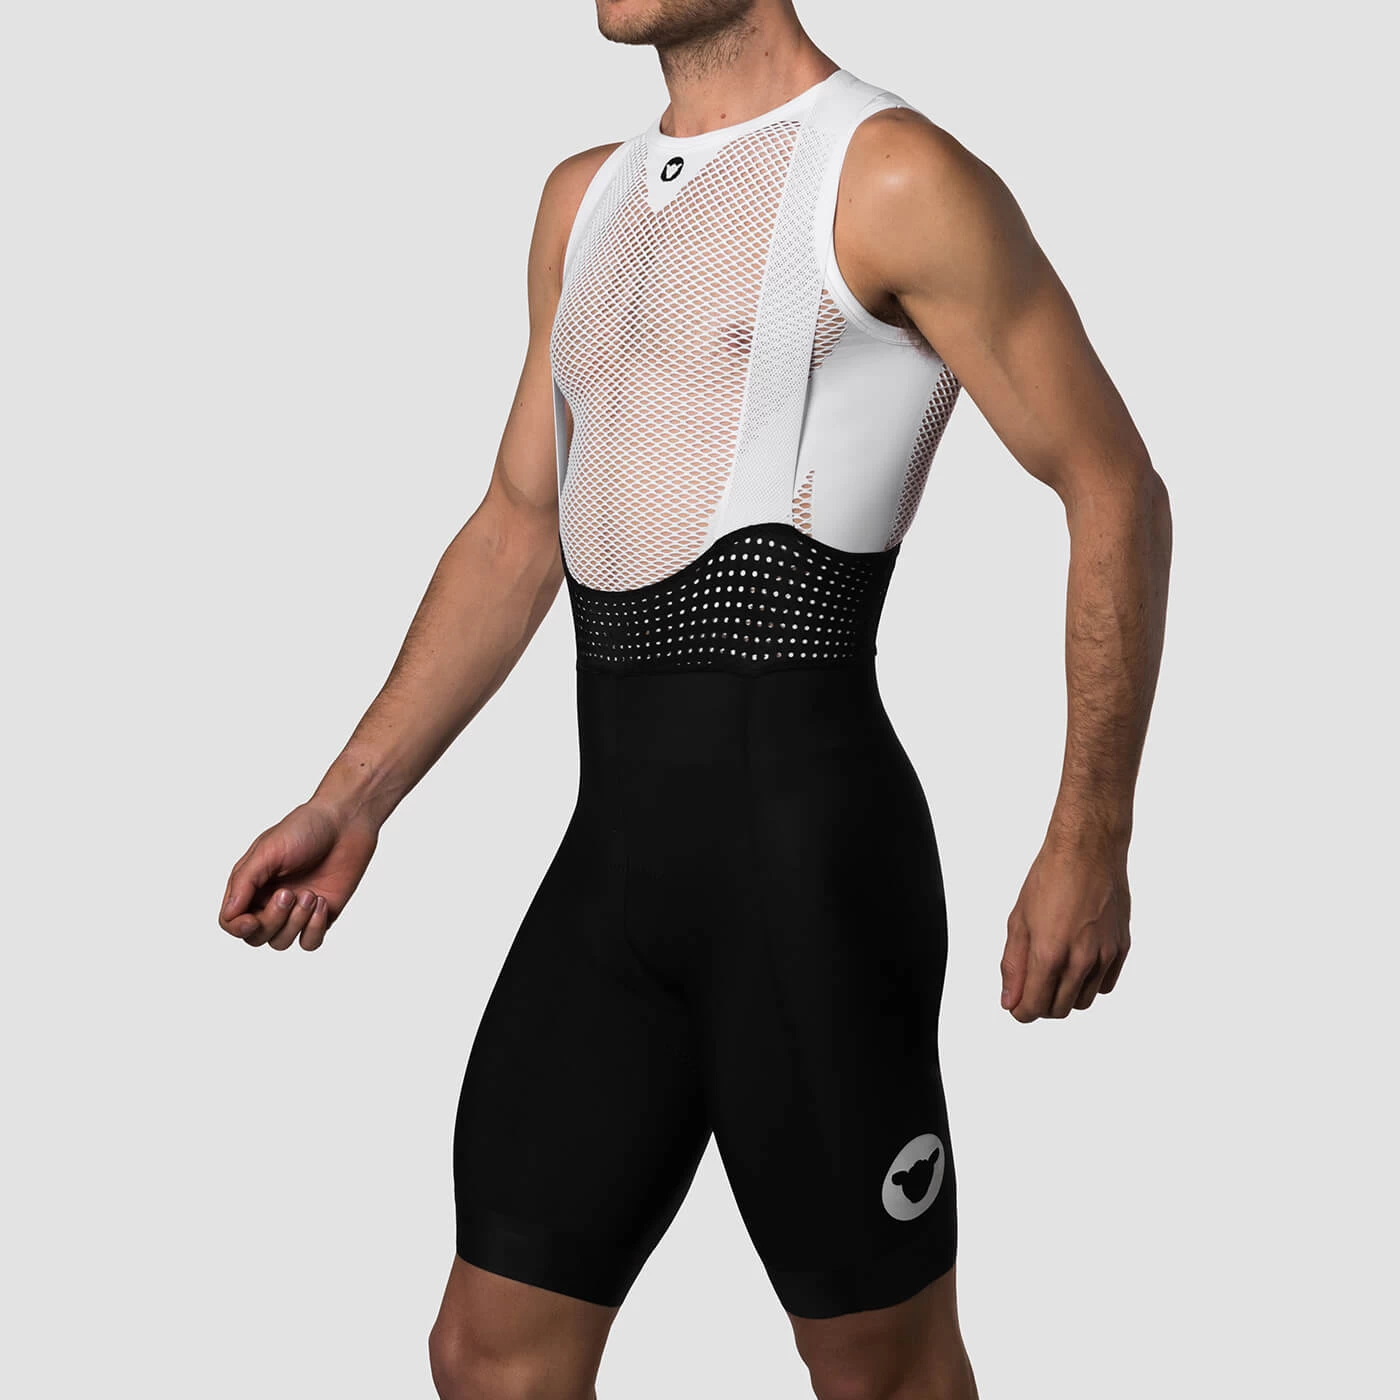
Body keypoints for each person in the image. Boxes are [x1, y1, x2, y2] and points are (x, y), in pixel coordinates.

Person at [217, 2, 1172, 1395]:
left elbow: (1112, 485)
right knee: (489, 1358)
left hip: (811, 880)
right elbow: (518, 523)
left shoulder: (891, 174)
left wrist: (1091, 835)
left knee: (884, 1375)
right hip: (616, 869)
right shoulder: (581, 203)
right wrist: (353, 797)